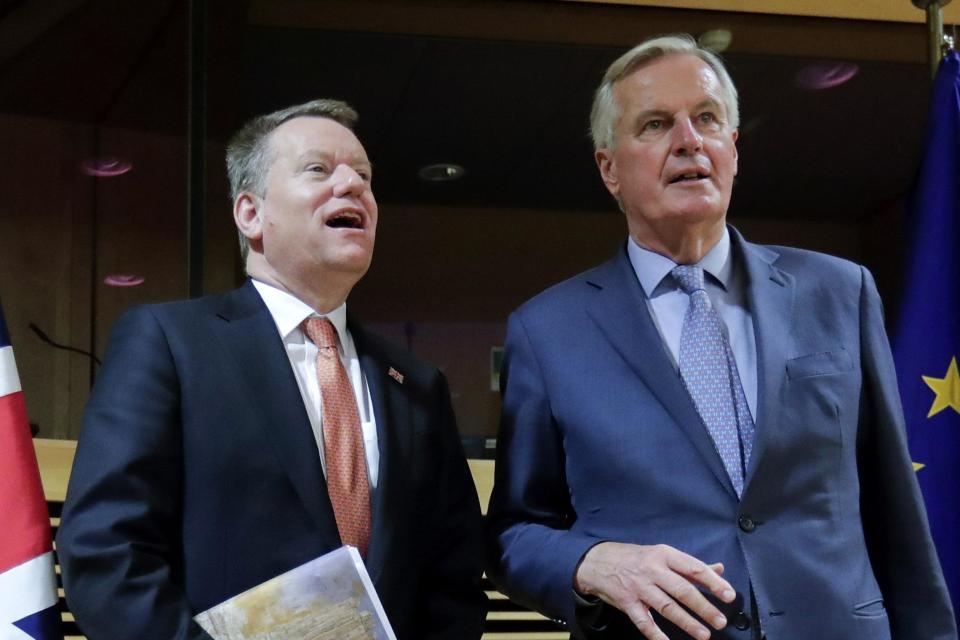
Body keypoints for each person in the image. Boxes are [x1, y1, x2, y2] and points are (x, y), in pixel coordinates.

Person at [484, 35, 956, 640]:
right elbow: (512, 533)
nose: (689, 140)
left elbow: (899, 519)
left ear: (732, 148)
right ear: (609, 170)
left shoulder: (840, 292)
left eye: (706, 119)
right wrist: (588, 562)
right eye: (655, 125)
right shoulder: (547, 331)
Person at [57, 98, 486, 640]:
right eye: (319, 170)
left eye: (365, 176)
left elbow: (453, 577)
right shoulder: (170, 343)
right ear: (251, 213)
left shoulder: (418, 384)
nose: (353, 185)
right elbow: (106, 552)